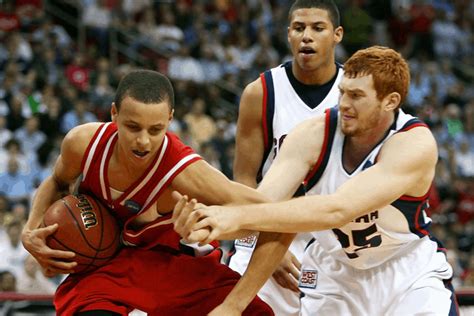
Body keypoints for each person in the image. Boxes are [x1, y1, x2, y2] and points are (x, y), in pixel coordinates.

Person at [173, 46, 459, 315]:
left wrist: (232, 218)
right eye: (343, 92)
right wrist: (205, 224)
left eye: (357, 96)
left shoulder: (413, 144)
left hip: (406, 270)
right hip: (335, 275)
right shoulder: (312, 135)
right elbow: (264, 208)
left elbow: (338, 209)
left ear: (390, 101)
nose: (344, 104)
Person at [21, 70, 273, 315]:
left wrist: (257, 249)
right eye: (133, 127)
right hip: (108, 270)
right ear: (114, 113)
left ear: (170, 119)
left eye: (155, 130)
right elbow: (56, 181)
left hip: (175, 270)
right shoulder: (84, 143)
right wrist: (30, 230)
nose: (143, 141)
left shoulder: (184, 172)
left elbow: (269, 217)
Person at [230, 0, 343, 314]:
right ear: (288, 35)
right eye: (299, 28)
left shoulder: (353, 95)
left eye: (317, 28)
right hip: (267, 229)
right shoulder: (261, 92)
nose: (307, 36)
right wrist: (270, 249)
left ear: (337, 35)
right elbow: (244, 179)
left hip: (331, 240)